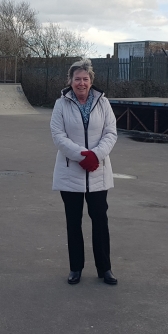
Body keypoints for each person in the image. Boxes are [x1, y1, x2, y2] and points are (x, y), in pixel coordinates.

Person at [50, 59, 119, 285]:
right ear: (70, 81)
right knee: (73, 221)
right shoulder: (61, 104)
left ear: (91, 81)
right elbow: (58, 136)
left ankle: (104, 268)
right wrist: (82, 155)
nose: (81, 83)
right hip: (71, 172)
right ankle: (75, 268)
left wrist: (95, 156)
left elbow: (111, 133)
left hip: (98, 172)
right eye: (77, 79)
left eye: (85, 79)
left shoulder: (103, 103)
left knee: (100, 220)